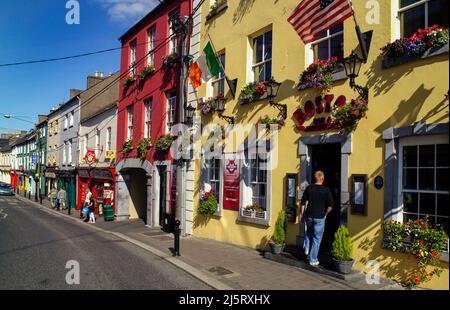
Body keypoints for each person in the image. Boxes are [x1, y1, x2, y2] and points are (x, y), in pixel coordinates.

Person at [300, 171, 334, 267]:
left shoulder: (309, 188)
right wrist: (325, 214)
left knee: (309, 232)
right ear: (322, 179)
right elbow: (331, 205)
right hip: (319, 217)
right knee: (316, 238)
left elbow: (302, 203)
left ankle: (306, 247)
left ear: (315, 178)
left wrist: (302, 215)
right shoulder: (326, 190)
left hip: (309, 215)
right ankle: (313, 259)